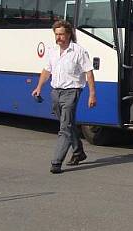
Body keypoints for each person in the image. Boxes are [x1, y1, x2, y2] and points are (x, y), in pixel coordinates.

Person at [32, 20, 97, 174]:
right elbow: (47, 70)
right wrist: (39, 87)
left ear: (69, 35)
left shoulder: (79, 51)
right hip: (55, 91)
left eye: (61, 34)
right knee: (66, 124)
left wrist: (92, 94)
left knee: (64, 127)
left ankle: (56, 162)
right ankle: (78, 151)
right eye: (56, 34)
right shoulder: (52, 51)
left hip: (72, 91)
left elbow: (89, 72)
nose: (58, 37)